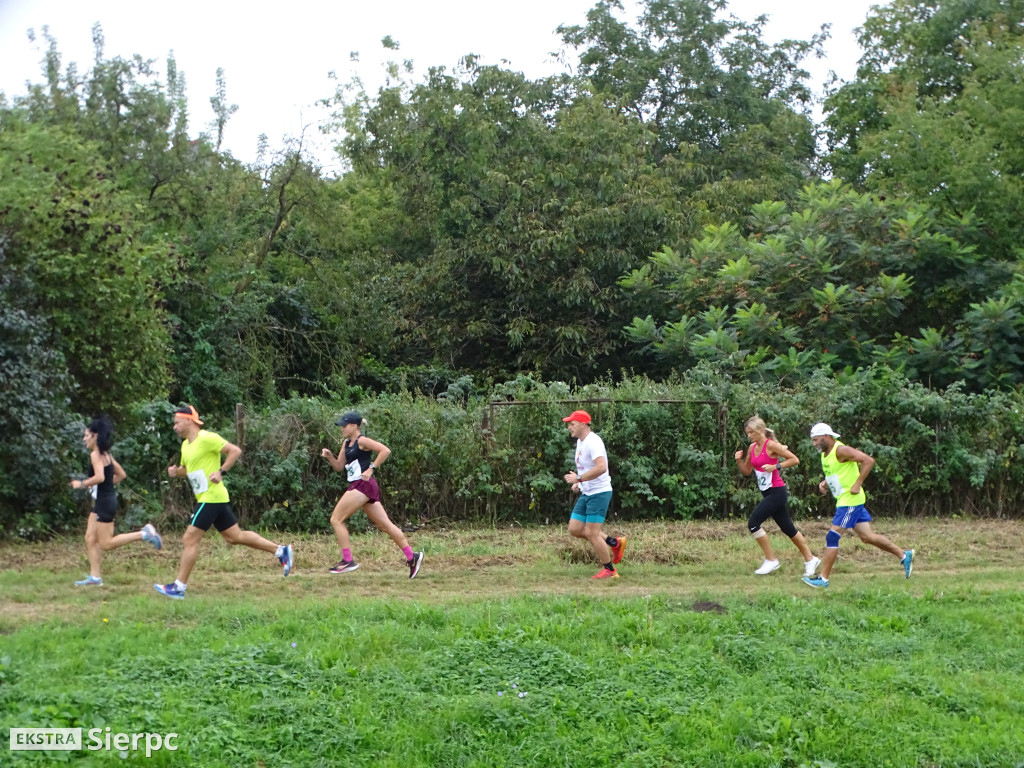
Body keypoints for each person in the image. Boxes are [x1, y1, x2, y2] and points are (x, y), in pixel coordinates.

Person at [154, 405, 293, 599]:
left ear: (189, 420)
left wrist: (221, 471)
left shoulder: (207, 438)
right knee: (234, 536)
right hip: (209, 497)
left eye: (177, 423)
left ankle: (179, 587)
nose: (174, 427)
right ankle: (280, 551)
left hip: (211, 497)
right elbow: (189, 469)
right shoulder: (186, 445)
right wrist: (177, 472)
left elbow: (234, 451)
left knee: (189, 538)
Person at [802, 422, 914, 589]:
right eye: (813, 440)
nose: (814, 444)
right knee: (867, 537)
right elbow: (839, 471)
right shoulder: (826, 453)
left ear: (827, 437)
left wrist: (858, 483)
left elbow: (868, 460)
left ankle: (823, 579)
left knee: (832, 536)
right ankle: (904, 555)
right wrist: (825, 482)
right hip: (845, 500)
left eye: (816, 440)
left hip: (850, 501)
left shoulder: (841, 450)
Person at [320, 412, 423, 579]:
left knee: (336, 519)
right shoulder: (346, 443)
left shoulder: (362, 441)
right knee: (385, 526)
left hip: (362, 485)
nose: (342, 429)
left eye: (344, 426)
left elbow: (385, 450)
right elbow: (339, 466)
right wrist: (330, 456)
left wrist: (371, 468)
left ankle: (347, 561)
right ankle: (413, 557)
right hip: (360, 486)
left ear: (354, 426)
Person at [71, 415, 162, 586]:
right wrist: (106, 486)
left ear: (95, 436)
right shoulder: (106, 455)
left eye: (86, 435)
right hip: (102, 501)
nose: (84, 439)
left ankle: (144, 534)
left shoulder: (96, 455)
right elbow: (121, 475)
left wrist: (81, 484)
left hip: (104, 503)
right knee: (90, 538)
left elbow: (98, 477)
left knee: (106, 543)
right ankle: (95, 577)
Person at [734, 416, 820, 577]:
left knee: (753, 523)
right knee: (788, 528)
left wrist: (775, 466)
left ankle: (771, 560)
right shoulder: (752, 448)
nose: (749, 436)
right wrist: (739, 460)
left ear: (760, 430)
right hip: (767, 492)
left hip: (777, 492)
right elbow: (746, 471)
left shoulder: (771, 446)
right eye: (747, 433)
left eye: (751, 432)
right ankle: (811, 559)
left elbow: (794, 460)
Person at [561, 410, 626, 580]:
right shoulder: (581, 442)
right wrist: (578, 482)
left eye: (572, 424)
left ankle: (610, 570)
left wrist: (580, 478)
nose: (569, 427)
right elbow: (586, 467)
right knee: (575, 529)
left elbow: (601, 467)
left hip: (599, 493)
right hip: (587, 492)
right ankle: (614, 543)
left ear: (583, 424)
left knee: (591, 533)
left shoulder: (593, 442)